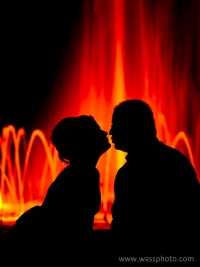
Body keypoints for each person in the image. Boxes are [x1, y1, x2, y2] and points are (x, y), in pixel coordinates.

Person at [3, 115, 111, 262]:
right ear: (84, 141)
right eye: (97, 131)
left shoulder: (81, 171)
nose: (105, 133)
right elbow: (71, 232)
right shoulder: (82, 174)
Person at [109, 99, 200, 258]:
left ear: (133, 128)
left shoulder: (131, 172)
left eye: (115, 126)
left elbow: (124, 226)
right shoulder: (177, 160)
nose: (111, 133)